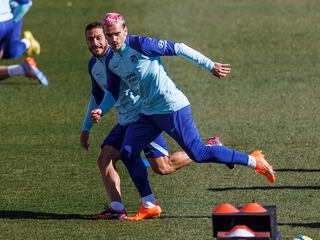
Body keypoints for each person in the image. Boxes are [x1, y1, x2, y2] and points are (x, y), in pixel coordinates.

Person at [91, 13, 276, 221]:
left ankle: (254, 160)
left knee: (198, 153)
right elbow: (113, 92)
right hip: (148, 112)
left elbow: (179, 47)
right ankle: (149, 205)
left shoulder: (141, 44)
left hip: (172, 108)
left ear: (125, 30)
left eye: (117, 33)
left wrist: (210, 65)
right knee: (127, 152)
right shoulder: (111, 61)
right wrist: (101, 109)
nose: (113, 39)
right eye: (109, 35)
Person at [81, 21, 195, 220]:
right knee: (105, 158)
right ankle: (117, 208)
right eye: (91, 39)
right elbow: (96, 95)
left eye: (99, 37)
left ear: (107, 37)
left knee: (163, 167)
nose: (95, 43)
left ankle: (205, 148)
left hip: (143, 117)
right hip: (124, 121)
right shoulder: (94, 65)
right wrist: (86, 128)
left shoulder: (119, 58)